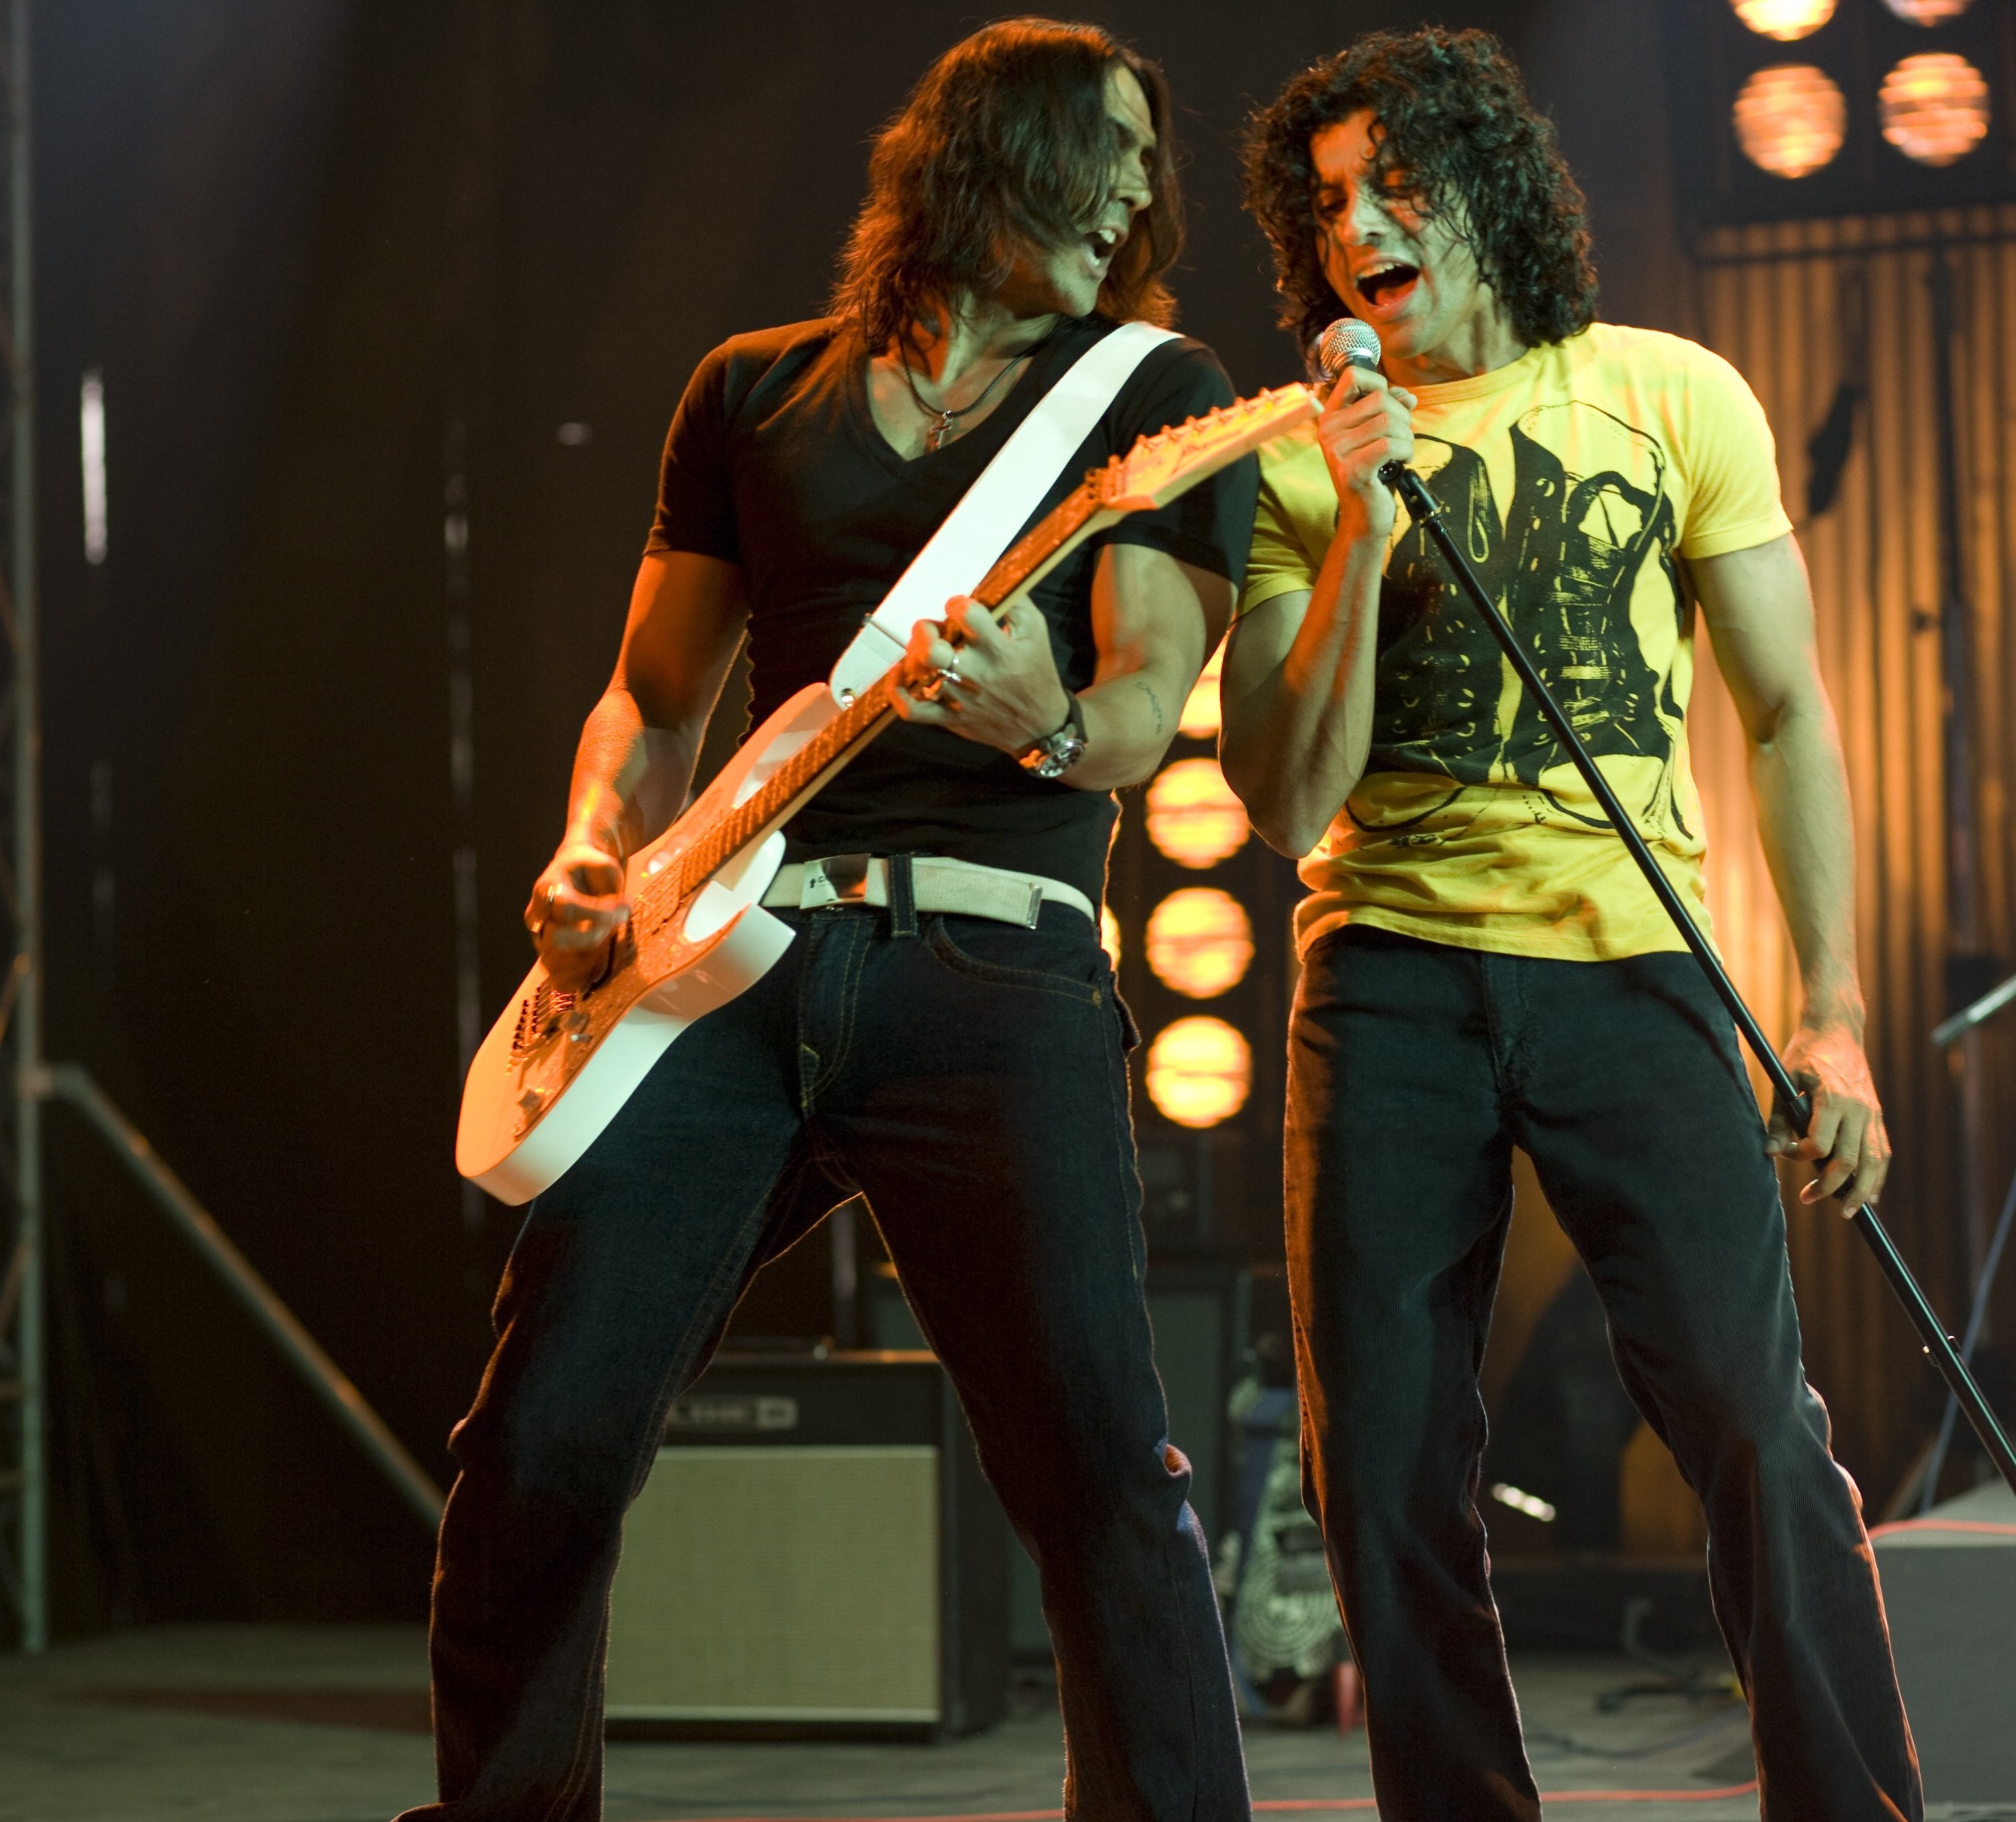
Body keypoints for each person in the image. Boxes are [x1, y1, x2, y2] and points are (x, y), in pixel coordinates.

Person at [404, 21, 1256, 1820]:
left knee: (1099, 1465)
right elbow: (655, 700)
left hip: (990, 965)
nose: (1135, 192)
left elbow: (1138, 713)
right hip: (722, 968)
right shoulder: (747, 392)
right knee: (540, 1435)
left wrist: (1042, 713)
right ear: (984, 154)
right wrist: (589, 849)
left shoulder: (1154, 394)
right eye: (1103, 149)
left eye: (1147, 164)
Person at [1219, 29, 1921, 1821]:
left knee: (1751, 1421)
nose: (1360, 227)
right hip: (1387, 984)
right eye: (1329, 203)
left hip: (1631, 968)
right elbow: (1286, 798)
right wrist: (1362, 518)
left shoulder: (1670, 393)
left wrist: (1834, 1012)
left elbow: (1787, 711)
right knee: (1383, 1462)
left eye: (1397, 185)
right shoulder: (1290, 462)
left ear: (1492, 189)